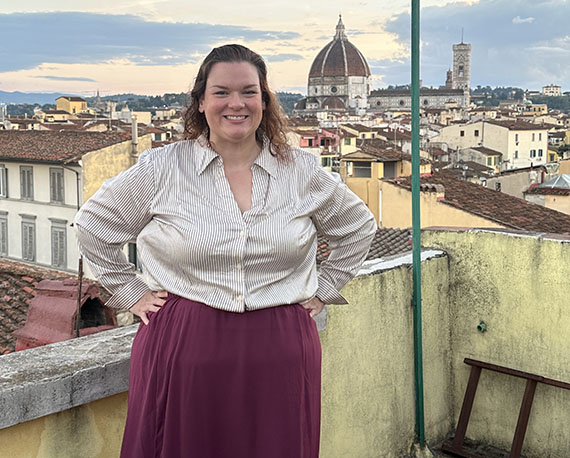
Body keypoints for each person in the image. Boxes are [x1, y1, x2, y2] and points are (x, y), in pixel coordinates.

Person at [74, 44, 377, 458]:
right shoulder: (163, 168)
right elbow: (93, 226)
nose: (236, 104)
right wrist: (132, 293)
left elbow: (358, 227)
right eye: (221, 92)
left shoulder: (301, 171)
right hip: (184, 341)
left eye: (249, 92)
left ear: (264, 100)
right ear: (201, 102)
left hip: (281, 347)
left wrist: (325, 287)